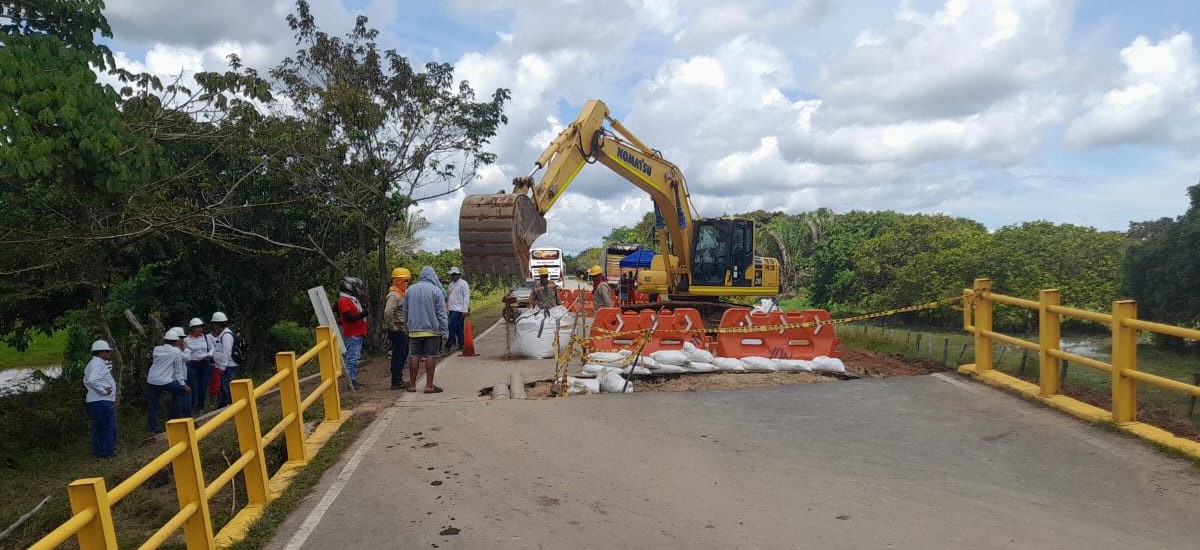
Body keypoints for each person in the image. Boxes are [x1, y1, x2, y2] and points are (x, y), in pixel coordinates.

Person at [405, 266, 448, 393]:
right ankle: (429, 386)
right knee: (431, 355)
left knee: (414, 355)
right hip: (432, 330)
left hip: (414, 329)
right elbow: (441, 313)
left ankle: (412, 385)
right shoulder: (436, 291)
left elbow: (406, 311)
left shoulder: (410, 290)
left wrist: (407, 327)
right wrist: (445, 331)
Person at [147, 328, 191, 433]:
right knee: (186, 392)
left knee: (152, 405)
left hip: (152, 380)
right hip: (165, 381)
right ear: (175, 341)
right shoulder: (176, 352)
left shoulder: (156, 349)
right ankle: (177, 419)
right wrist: (183, 384)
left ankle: (154, 429)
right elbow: (178, 371)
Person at [83, 339, 117, 459]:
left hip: (94, 401)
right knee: (109, 426)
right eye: (107, 351)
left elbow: (86, 381)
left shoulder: (91, 364)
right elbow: (92, 380)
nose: (109, 354)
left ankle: (98, 452)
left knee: (98, 427)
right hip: (101, 401)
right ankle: (109, 451)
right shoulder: (98, 364)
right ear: (101, 352)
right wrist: (103, 391)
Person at [336, 277, 368, 389]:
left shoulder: (351, 299)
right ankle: (351, 382)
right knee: (352, 358)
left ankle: (353, 380)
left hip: (357, 332)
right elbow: (348, 317)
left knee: (354, 357)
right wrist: (363, 314)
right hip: (352, 333)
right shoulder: (344, 301)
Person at [384, 267, 411, 390]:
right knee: (398, 355)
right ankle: (396, 381)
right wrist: (393, 327)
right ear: (399, 281)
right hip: (398, 330)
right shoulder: (394, 295)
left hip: (402, 329)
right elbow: (388, 312)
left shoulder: (401, 294)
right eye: (405, 281)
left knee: (403, 354)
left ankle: (399, 379)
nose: (407, 284)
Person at [183, 318, 215, 413]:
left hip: (205, 364)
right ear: (192, 329)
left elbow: (212, 349)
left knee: (203, 387)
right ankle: (191, 408)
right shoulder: (186, 339)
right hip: (192, 365)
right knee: (193, 388)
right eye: (197, 327)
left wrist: (209, 355)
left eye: (201, 327)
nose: (200, 329)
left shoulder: (205, 337)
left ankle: (200, 407)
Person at [211, 312, 239, 406]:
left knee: (227, 387)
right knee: (223, 388)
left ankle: (230, 405)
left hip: (228, 366)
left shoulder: (226, 335)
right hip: (226, 366)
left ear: (216, 324)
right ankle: (223, 405)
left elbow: (227, 352)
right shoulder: (223, 334)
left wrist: (222, 367)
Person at [444, 266, 470, 353]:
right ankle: (462, 343)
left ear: (459, 275)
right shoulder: (451, 284)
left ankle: (448, 345)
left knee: (451, 326)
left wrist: (465, 309)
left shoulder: (463, 284)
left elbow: (466, 296)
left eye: (455, 274)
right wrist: (447, 307)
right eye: (452, 274)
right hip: (452, 309)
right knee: (458, 327)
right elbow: (449, 296)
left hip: (459, 309)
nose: (453, 276)